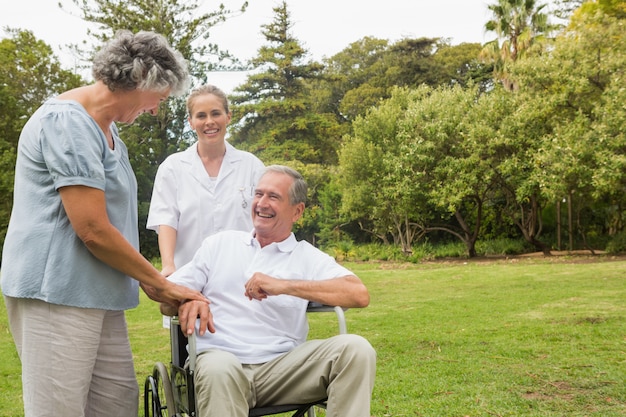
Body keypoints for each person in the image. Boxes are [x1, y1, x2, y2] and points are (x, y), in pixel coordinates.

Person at [0, 30, 208, 417]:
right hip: (56, 294)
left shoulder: (110, 133)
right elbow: (93, 229)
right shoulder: (66, 123)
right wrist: (158, 281)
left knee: (116, 405)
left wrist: (147, 280)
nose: (154, 110)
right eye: (158, 99)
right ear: (143, 81)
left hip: (101, 294)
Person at [163, 165, 376, 417]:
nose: (262, 203)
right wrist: (186, 298)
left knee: (356, 350)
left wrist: (285, 285)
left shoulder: (306, 257)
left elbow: (358, 294)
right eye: (258, 194)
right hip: (221, 362)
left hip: (283, 370)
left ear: (297, 211)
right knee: (220, 368)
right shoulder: (219, 245)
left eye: (273, 197)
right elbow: (164, 298)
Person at [147, 84, 264, 278]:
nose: (209, 122)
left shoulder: (252, 166)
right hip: (190, 275)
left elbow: (265, 220)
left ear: (228, 117)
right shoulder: (173, 168)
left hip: (243, 276)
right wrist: (168, 265)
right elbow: (166, 220)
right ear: (191, 122)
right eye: (201, 116)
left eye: (216, 113)